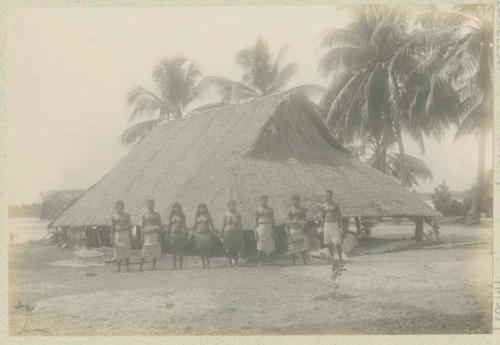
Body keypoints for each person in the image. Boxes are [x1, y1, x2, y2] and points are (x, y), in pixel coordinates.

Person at [110, 200, 134, 272]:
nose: (119, 207)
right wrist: (112, 237)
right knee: (117, 251)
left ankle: (127, 267)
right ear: (116, 207)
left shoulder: (127, 216)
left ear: (123, 207)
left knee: (126, 250)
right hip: (118, 234)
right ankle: (118, 268)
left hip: (125, 234)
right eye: (118, 206)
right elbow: (112, 227)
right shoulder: (114, 217)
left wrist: (131, 236)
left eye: (121, 206)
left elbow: (130, 226)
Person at [321, 190, 343, 262]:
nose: (328, 197)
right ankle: (332, 258)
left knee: (337, 242)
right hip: (327, 224)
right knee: (328, 242)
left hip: (334, 224)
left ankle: (340, 258)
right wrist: (321, 228)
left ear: (332, 196)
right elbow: (322, 217)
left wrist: (340, 227)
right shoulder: (323, 205)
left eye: (329, 195)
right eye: (327, 195)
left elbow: (339, 216)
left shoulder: (336, 205)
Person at [140, 199, 162, 271]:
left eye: (152, 204)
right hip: (147, 234)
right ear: (147, 205)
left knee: (154, 250)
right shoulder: (144, 215)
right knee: (144, 250)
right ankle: (141, 267)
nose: (150, 205)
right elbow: (142, 226)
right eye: (149, 204)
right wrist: (142, 236)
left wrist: (159, 235)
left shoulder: (157, 215)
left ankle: (154, 266)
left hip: (154, 234)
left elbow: (159, 225)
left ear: (154, 205)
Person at [287, 194, 309, 266]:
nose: (295, 201)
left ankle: (304, 260)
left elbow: (305, 218)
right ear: (292, 200)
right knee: (293, 245)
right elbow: (288, 219)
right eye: (294, 200)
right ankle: (293, 261)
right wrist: (291, 225)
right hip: (293, 227)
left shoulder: (302, 209)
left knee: (302, 244)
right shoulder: (290, 210)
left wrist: (302, 223)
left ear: (299, 200)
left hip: (300, 227)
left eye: (296, 200)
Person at [254, 195, 276, 266]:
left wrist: (273, 231)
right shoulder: (257, 210)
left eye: (265, 200)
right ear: (260, 201)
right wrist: (255, 232)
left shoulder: (270, 209)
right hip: (260, 227)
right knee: (260, 245)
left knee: (271, 244)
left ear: (267, 201)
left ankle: (271, 261)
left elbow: (273, 220)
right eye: (262, 200)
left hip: (268, 226)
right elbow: (255, 221)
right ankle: (260, 261)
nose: (263, 201)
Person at [192, 203, 216, 269]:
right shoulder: (197, 217)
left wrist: (214, 231)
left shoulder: (208, 216)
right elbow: (194, 225)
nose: (202, 209)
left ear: (206, 208)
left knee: (207, 250)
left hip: (207, 234)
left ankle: (208, 263)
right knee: (201, 250)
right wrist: (192, 232)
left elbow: (212, 225)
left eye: (203, 207)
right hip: (199, 235)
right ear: (198, 209)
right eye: (200, 207)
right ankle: (203, 264)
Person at [220, 200, 243, 267]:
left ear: (235, 206)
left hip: (236, 233)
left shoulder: (238, 214)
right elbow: (223, 224)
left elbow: (240, 224)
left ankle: (236, 263)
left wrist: (240, 232)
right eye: (231, 205)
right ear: (228, 206)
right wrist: (221, 232)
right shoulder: (225, 214)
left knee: (236, 249)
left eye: (233, 205)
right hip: (228, 233)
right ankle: (229, 263)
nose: (232, 207)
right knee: (229, 249)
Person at [168, 202, 188, 270]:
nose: (176, 209)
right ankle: (174, 266)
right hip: (173, 234)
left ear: (180, 208)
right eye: (175, 207)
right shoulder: (171, 215)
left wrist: (186, 232)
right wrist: (168, 234)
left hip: (180, 234)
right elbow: (169, 225)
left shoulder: (182, 216)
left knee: (180, 250)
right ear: (173, 208)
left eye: (178, 207)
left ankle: (180, 265)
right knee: (173, 251)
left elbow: (184, 225)